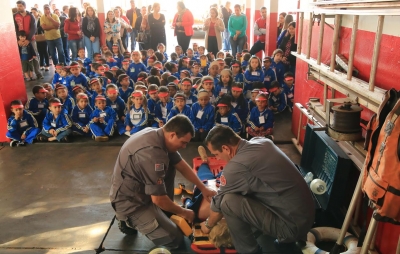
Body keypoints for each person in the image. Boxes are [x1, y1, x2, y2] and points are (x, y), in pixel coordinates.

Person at [200, 125, 315, 254]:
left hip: (292, 228)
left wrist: (207, 225)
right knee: (238, 192)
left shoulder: (236, 166)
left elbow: (217, 208)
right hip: (306, 216)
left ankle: (249, 251)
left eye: (216, 154)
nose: (217, 158)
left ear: (226, 148)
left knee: (227, 202)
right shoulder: (262, 141)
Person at [109, 115, 217, 250]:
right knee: (175, 240)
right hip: (132, 203)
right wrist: (184, 212)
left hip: (143, 191)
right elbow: (158, 199)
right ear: (172, 135)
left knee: (171, 163)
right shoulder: (152, 153)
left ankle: (161, 213)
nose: (184, 147)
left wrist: (203, 188)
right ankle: (127, 220)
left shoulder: (158, 135)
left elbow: (181, 164)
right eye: (183, 142)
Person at [14, 0, 43, 79]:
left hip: (31, 39)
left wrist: (28, 39)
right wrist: (18, 39)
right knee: (22, 57)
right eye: (18, 6)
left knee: (35, 55)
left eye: (20, 6)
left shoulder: (30, 16)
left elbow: (34, 28)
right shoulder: (15, 16)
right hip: (20, 40)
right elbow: (15, 28)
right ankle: (25, 74)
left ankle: (38, 73)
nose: (19, 7)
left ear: (24, 6)